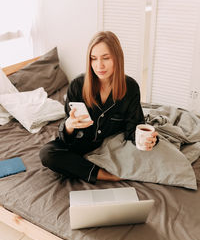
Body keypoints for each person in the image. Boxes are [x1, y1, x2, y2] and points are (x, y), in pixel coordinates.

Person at [40, 31, 158, 183]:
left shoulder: (131, 88)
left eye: (106, 58)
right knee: (47, 154)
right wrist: (69, 125)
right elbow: (66, 137)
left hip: (112, 146)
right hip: (81, 144)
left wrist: (149, 139)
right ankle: (105, 175)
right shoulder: (77, 86)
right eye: (93, 59)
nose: (99, 65)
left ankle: (86, 168)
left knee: (155, 157)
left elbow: (133, 129)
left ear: (117, 58)